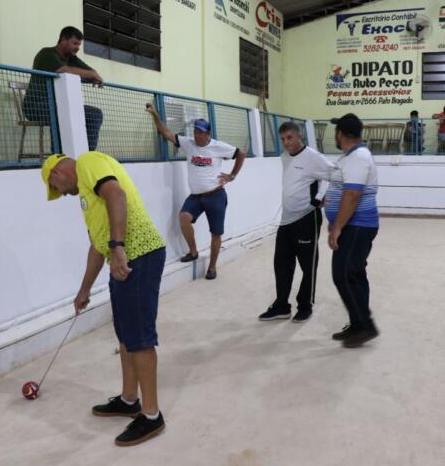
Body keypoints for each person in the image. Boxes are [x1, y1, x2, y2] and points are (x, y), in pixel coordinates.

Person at [41, 151, 166, 447]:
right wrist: (84, 290)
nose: (62, 193)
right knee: (125, 334)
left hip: (138, 254)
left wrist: (119, 246)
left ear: (56, 174)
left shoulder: (87, 163)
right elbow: (98, 246)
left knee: (139, 337)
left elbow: (116, 194)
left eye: (56, 187)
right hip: (121, 259)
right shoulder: (86, 199)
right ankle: (129, 399)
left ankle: (151, 416)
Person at [145, 103, 246, 280]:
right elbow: (166, 133)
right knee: (184, 218)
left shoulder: (218, 146)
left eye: (201, 132)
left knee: (215, 233)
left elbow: (241, 153)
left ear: (208, 134)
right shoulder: (188, 143)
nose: (197, 135)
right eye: (195, 132)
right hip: (196, 197)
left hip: (216, 195)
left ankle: (212, 267)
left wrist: (232, 175)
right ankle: (193, 252)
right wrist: (155, 114)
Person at [258, 122, 334, 323]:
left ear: (299, 136)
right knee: (281, 265)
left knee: (308, 266)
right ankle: (282, 306)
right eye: (283, 139)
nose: (286, 143)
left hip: (307, 218)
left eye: (290, 138)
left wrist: (319, 196)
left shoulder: (313, 157)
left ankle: (305, 305)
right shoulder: (284, 157)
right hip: (286, 221)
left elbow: (335, 174)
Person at [324, 114, 380, 349]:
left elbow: (352, 194)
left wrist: (337, 227)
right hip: (352, 225)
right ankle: (358, 323)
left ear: (340, 134)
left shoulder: (358, 157)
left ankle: (365, 325)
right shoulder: (350, 157)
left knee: (344, 274)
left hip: (357, 226)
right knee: (354, 274)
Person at [24, 27, 104, 151]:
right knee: (64, 112)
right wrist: (91, 75)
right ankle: (58, 156)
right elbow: (63, 70)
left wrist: (93, 74)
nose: (77, 47)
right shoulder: (46, 53)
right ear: (63, 40)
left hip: (59, 105)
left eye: (79, 44)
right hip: (35, 106)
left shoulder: (71, 58)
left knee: (95, 114)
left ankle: (87, 155)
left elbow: (91, 71)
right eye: (75, 43)